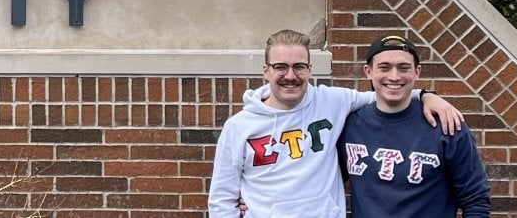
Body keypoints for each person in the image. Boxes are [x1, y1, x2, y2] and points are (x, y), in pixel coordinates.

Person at [207, 29, 463, 218]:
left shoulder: (332, 101)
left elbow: (386, 92)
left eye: (299, 67)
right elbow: (221, 199)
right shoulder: (239, 127)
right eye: (280, 67)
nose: (290, 76)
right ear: (266, 71)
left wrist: (426, 95)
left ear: (310, 68)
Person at [337, 35, 491, 217]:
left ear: (417, 72)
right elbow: (325, 182)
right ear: (368, 71)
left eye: (403, 68)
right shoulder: (350, 126)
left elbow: (476, 200)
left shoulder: (447, 126)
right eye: (384, 67)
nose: (394, 76)